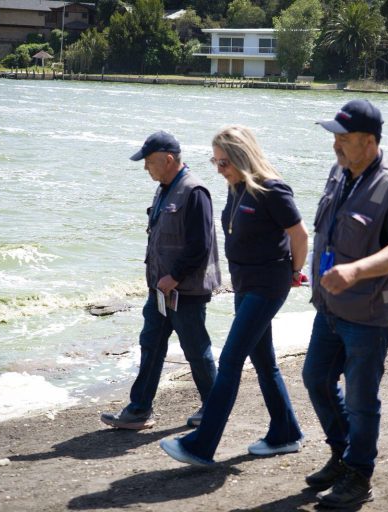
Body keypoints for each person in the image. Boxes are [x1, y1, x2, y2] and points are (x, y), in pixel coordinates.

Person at [159, 125, 309, 465]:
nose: (218, 169)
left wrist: (294, 272)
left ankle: (201, 445)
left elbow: (299, 235)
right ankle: (286, 432)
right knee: (264, 362)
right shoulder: (236, 187)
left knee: (229, 361)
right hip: (245, 286)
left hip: (267, 286)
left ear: (242, 157)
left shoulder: (273, 189)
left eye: (224, 162)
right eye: (215, 161)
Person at [302, 100, 388, 508]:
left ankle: (359, 476)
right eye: (335, 136)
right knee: (316, 379)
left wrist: (355, 271)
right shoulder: (339, 173)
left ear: (369, 142)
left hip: (369, 316)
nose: (336, 144)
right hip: (330, 307)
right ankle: (343, 454)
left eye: (344, 138)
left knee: (360, 400)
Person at [100, 131, 221, 430]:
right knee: (150, 344)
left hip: (185, 291)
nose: (145, 168)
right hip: (160, 290)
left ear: (168, 159)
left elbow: (201, 245)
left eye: (149, 162)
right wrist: (161, 280)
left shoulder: (194, 191)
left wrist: (175, 276)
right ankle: (139, 410)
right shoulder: (164, 188)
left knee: (196, 350)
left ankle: (215, 409)